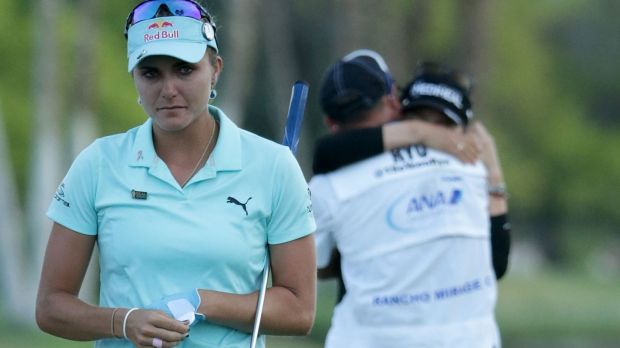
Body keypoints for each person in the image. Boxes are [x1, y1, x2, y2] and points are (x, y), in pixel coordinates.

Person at [36, 1, 316, 347]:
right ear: (134, 76)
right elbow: (51, 306)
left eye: (184, 70)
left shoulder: (273, 166)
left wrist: (202, 302)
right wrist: (122, 321)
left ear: (215, 69)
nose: (168, 89)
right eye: (150, 73)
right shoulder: (98, 163)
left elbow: (299, 310)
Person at [310, 53, 507, 347]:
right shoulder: (469, 161)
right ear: (392, 101)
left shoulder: (329, 185)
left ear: (330, 122)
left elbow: (309, 265)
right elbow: (497, 263)